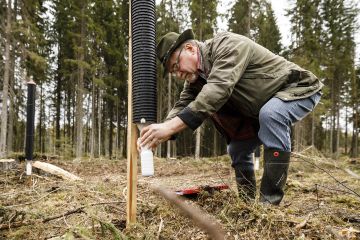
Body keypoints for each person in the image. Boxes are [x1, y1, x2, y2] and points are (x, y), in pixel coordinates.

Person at [138, 29, 323, 205]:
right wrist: (160, 133)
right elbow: (183, 105)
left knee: (271, 115)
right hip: (261, 108)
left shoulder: (227, 46)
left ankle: (269, 203)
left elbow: (217, 90)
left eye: (176, 66)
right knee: (237, 146)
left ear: (190, 48)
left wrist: (169, 128)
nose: (178, 74)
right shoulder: (196, 79)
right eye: (173, 72)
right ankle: (247, 204)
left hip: (297, 88)